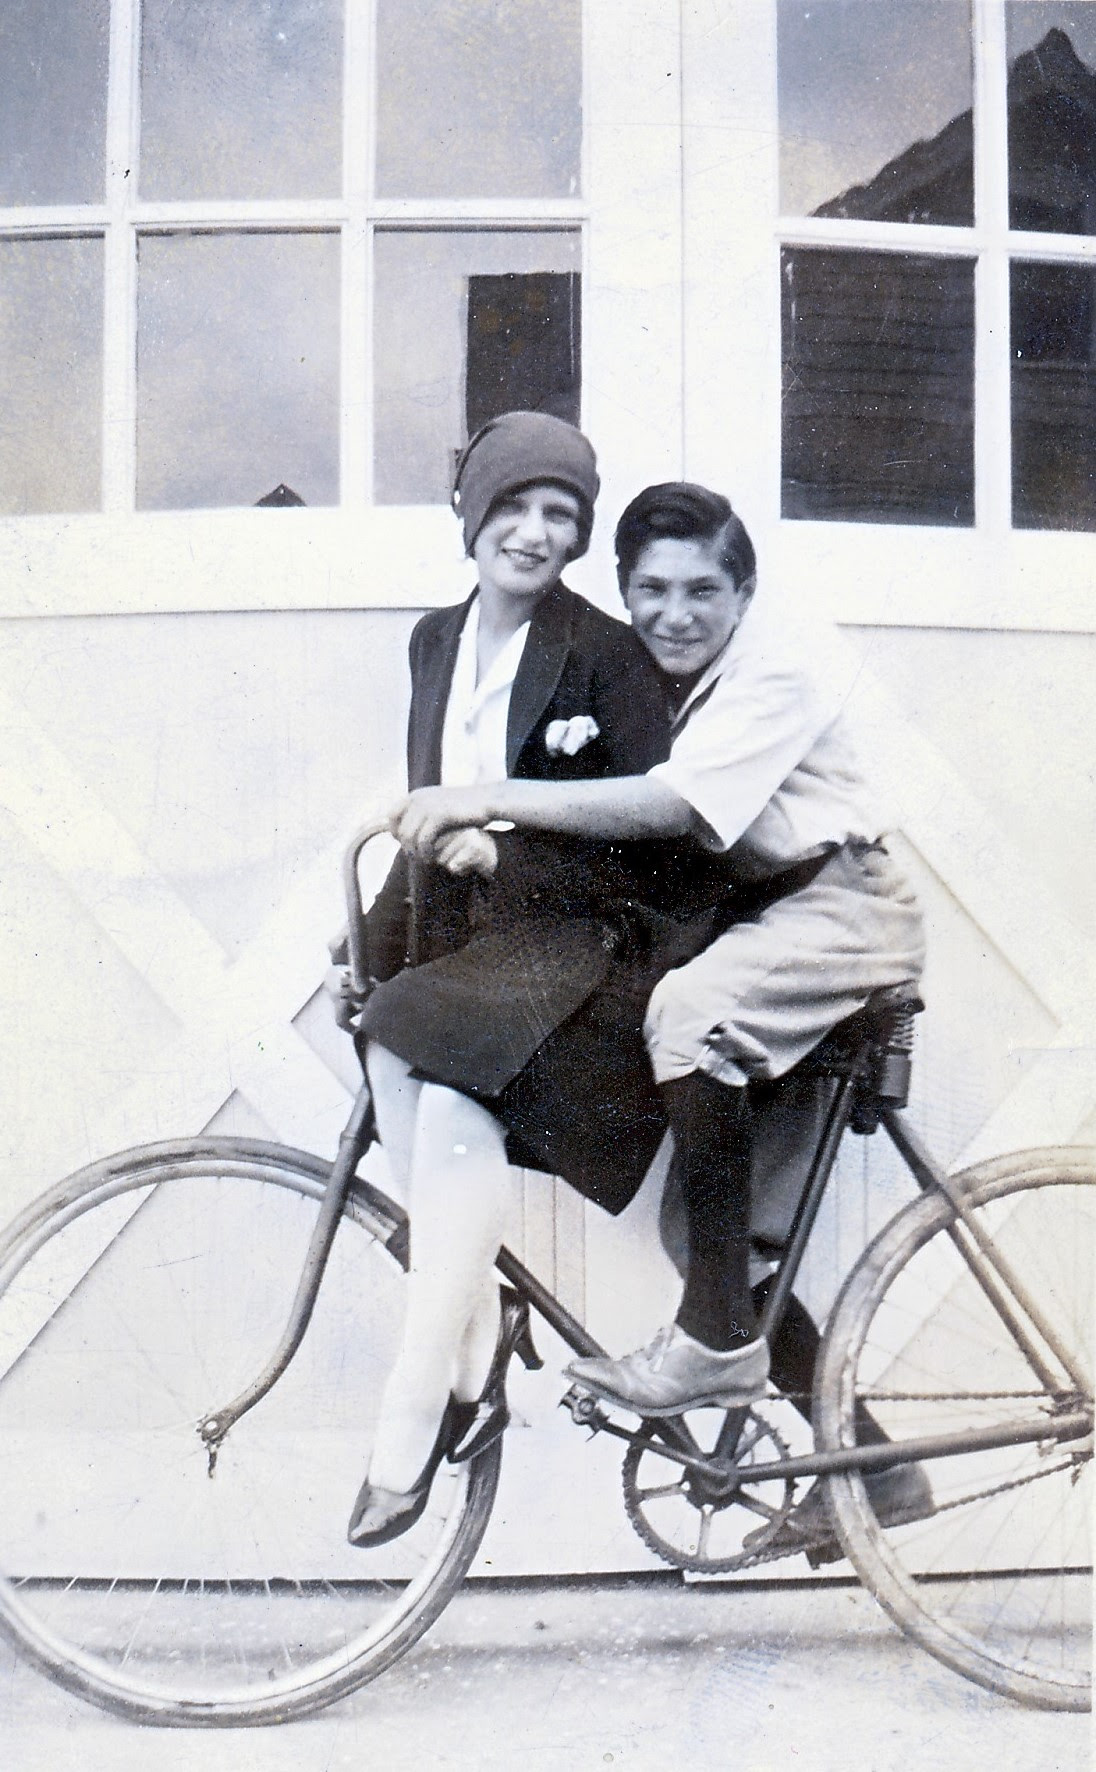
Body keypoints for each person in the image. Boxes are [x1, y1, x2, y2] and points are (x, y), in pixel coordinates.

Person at [390, 481, 933, 1552]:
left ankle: (714, 1347)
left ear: (744, 590)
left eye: (700, 590)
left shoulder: (775, 666)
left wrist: (483, 794)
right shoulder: (670, 682)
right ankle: (874, 1469)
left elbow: (673, 806)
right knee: (708, 1237)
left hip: (843, 904)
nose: (674, 613)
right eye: (649, 592)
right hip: (769, 916)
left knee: (685, 1012)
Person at [343, 412, 682, 1548]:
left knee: (413, 1044)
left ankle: (419, 1397)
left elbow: (663, 844)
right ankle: (476, 1330)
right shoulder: (431, 641)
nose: (535, 535)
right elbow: (428, 821)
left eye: (561, 516)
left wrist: (513, 850)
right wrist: (370, 945)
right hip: (486, 958)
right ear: (470, 509)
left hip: (590, 949)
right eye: (515, 507)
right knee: (402, 1048)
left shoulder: (606, 652)